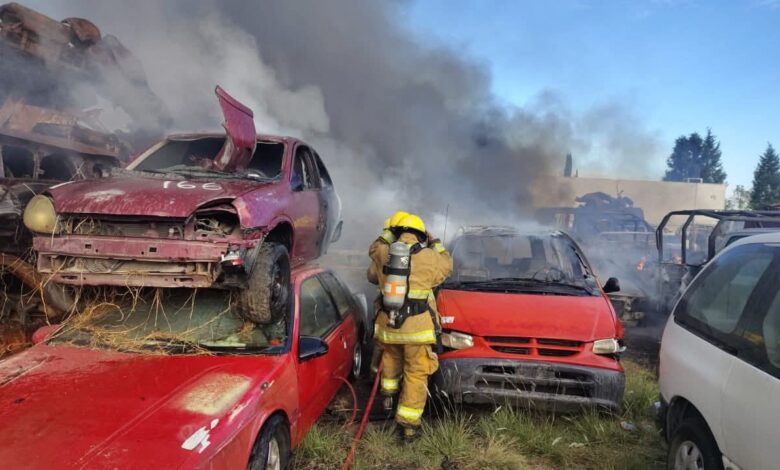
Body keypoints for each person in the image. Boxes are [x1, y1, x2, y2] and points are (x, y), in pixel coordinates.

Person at [369, 213, 452, 441]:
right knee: (416, 374)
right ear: (420, 235)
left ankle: (388, 399)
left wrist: (388, 233)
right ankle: (408, 427)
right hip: (417, 331)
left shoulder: (383, 253)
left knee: (390, 361)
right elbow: (447, 265)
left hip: (389, 327)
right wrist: (435, 243)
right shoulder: (430, 258)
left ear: (395, 232)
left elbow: (374, 251)